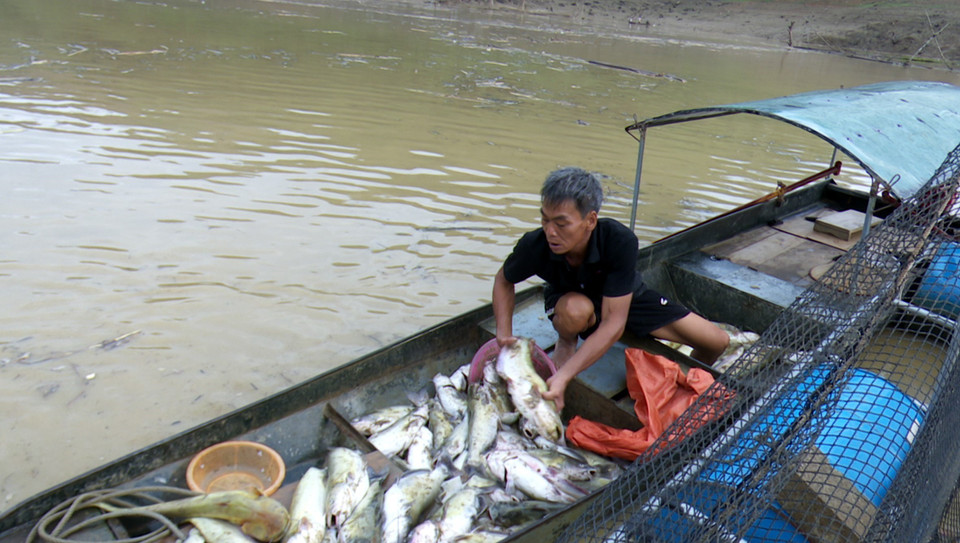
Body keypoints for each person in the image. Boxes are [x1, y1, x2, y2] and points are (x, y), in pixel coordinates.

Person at [492, 167, 729, 410]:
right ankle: (566, 340)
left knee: (716, 342)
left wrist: (563, 376)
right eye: (545, 219)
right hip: (571, 302)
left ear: (590, 220)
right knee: (575, 311)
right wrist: (503, 333)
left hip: (624, 299)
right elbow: (503, 280)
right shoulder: (535, 245)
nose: (550, 232)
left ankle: (685, 385)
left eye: (562, 224)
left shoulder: (619, 240)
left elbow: (614, 323)